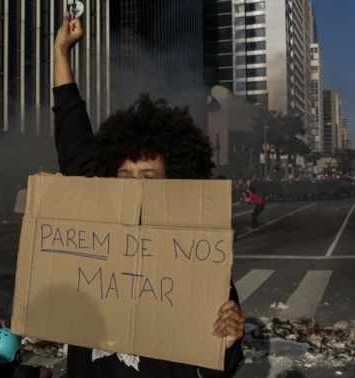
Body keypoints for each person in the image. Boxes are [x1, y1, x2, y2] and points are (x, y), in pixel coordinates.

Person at [53, 11, 243, 377]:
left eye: (148, 174)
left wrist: (230, 341)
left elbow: (218, 364)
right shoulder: (98, 231)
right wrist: (62, 54)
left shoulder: (200, 257)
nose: (133, 183)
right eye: (123, 173)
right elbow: (74, 144)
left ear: (175, 180)